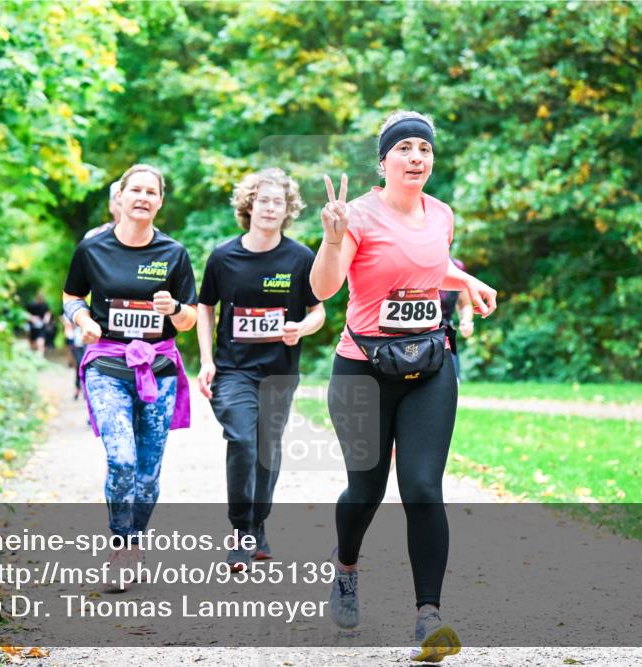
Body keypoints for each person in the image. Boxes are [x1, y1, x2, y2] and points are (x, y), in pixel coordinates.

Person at [309, 111, 497, 662]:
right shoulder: (359, 217)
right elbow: (324, 288)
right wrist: (331, 238)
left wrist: (468, 280)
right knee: (365, 489)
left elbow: (425, 266)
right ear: (384, 160)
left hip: (428, 364)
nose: (418, 157)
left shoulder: (441, 215)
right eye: (406, 148)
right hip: (362, 369)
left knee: (421, 485)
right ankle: (345, 568)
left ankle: (428, 617)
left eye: (425, 149)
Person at [61, 164, 197, 588]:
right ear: (119, 197)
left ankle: (136, 538)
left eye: (150, 191)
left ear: (160, 201)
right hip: (107, 364)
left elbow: (191, 318)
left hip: (159, 368)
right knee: (121, 458)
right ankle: (121, 545)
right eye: (134, 189)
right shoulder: (93, 248)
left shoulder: (173, 254)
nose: (142, 197)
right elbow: (70, 296)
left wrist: (172, 309)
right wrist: (82, 318)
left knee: (148, 473)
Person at [196, 168, 325, 571]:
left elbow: (318, 311)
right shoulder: (223, 256)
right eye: (264, 200)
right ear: (250, 204)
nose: (271, 208)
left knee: (268, 448)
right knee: (243, 440)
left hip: (279, 372)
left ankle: (258, 521)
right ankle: (241, 531)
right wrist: (206, 359)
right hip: (234, 370)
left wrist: (300, 328)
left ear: (288, 210)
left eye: (279, 202)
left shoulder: (301, 257)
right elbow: (206, 307)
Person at [439, 258, 475, 380]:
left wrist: (466, 320)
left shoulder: (457, 266)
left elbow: (465, 303)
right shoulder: (413, 263)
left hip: (447, 334)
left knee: (453, 383)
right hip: (419, 335)